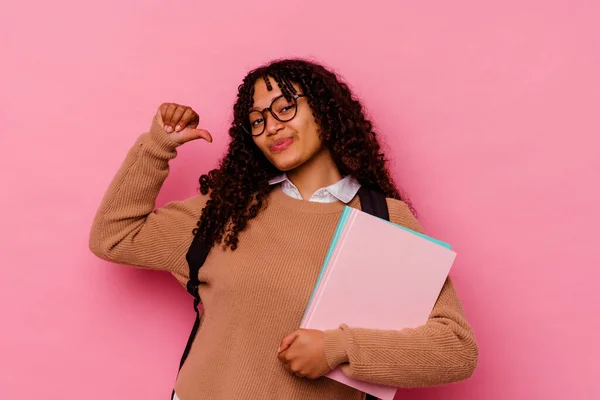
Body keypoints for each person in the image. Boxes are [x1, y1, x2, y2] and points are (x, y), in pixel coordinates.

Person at [89, 58, 478, 400]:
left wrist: (338, 348)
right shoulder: (228, 208)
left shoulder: (382, 219)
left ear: (325, 111)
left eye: (285, 108)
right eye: (257, 120)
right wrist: (159, 147)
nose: (271, 127)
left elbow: (456, 349)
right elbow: (115, 236)